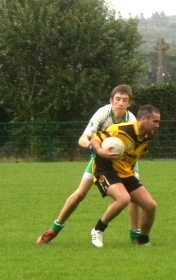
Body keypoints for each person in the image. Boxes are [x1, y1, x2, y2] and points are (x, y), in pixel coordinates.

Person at [37, 85, 142, 244]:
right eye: (117, 99)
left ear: (129, 103)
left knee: (135, 197)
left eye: (125, 100)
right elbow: (83, 139)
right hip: (100, 159)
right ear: (111, 100)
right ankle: (54, 230)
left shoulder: (131, 120)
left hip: (126, 161)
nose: (120, 103)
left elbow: (135, 146)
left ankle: (135, 237)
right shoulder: (102, 113)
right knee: (80, 194)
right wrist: (98, 149)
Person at [89, 105, 160, 247]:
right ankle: (97, 230)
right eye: (155, 121)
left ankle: (143, 240)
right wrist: (101, 151)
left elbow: (132, 159)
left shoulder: (145, 138)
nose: (158, 125)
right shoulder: (120, 129)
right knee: (123, 199)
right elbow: (94, 139)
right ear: (144, 119)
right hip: (105, 170)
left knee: (151, 205)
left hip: (126, 173)